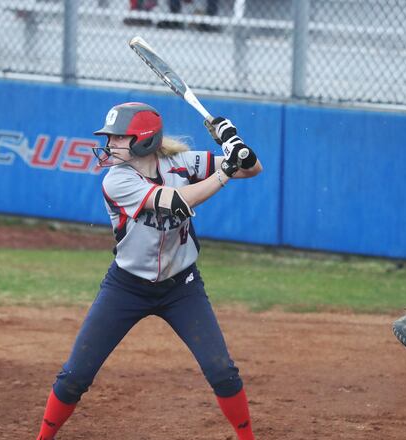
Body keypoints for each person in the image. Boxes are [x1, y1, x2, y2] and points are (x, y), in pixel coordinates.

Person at [34, 102, 262, 440]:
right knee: (74, 377)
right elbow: (176, 201)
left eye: (118, 138)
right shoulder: (116, 180)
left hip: (182, 287)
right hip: (126, 287)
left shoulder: (180, 163)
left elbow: (252, 169)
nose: (109, 145)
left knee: (222, 372)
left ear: (142, 141)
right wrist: (225, 170)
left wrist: (232, 141)